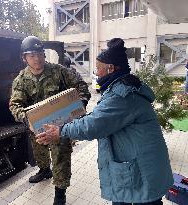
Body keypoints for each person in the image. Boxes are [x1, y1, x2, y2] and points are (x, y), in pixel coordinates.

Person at [36, 38, 174, 205]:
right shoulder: (120, 86)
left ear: (111, 68)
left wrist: (61, 131)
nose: (96, 72)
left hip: (143, 170)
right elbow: (101, 116)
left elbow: (95, 125)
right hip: (140, 165)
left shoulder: (123, 95)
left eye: (98, 68)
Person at [9, 36, 91, 205]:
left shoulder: (59, 71)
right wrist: (27, 120)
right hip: (36, 126)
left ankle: (60, 193)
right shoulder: (21, 80)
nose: (37, 58)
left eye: (39, 54)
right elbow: (15, 105)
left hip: (60, 126)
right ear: (24, 58)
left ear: (44, 55)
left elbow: (81, 86)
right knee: (39, 153)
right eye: (31, 55)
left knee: (61, 157)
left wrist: (79, 106)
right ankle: (45, 170)